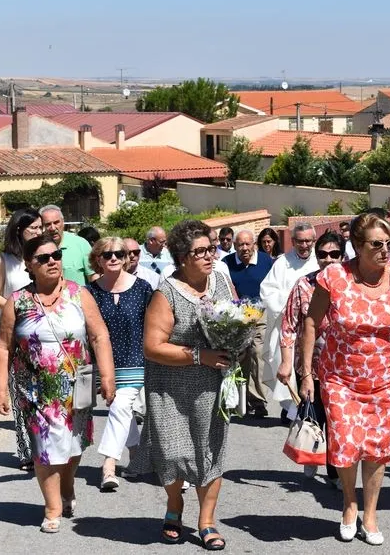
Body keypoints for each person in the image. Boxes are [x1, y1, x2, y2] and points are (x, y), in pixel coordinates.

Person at [299, 213, 390, 545]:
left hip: (388, 379)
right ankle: (348, 503)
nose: (385, 250)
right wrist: (305, 373)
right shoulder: (334, 277)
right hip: (340, 377)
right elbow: (312, 323)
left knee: (376, 449)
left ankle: (370, 514)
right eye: (377, 244)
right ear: (357, 246)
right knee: (345, 443)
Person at [0, 235, 116, 533]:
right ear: (29, 266)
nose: (52, 261)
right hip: (35, 388)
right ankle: (52, 507)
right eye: (43, 258)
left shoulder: (79, 294)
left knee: (74, 446)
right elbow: (4, 347)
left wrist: (108, 376)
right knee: (45, 448)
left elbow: (99, 336)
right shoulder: (18, 301)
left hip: (78, 386)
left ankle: (68, 484)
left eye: (56, 255)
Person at [133, 220, 236, 550]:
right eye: (201, 251)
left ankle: (206, 522)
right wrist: (199, 355)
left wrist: (239, 340)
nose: (210, 256)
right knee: (174, 454)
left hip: (212, 384)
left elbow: (236, 317)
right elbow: (152, 346)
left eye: (212, 248)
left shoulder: (220, 281)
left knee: (211, 451)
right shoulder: (167, 292)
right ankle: (175, 505)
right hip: (171, 385)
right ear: (181, 257)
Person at [276, 231, 343, 487]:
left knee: (337, 419)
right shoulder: (304, 285)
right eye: (323, 254)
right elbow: (289, 326)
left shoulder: (351, 286)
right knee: (314, 416)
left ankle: (336, 471)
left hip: (342, 367)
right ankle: (311, 453)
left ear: (342, 255)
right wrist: (285, 362)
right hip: (310, 365)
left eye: (334, 254)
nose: (328, 259)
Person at [87, 237, 153, 492]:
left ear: (126, 258)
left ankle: (109, 466)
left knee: (120, 406)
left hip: (136, 361)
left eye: (118, 254)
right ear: (98, 260)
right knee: (120, 409)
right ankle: (136, 458)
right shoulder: (90, 291)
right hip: (104, 365)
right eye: (106, 254)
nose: (113, 258)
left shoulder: (143, 288)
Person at [0, 208, 42, 470]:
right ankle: (26, 451)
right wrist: (15, 305)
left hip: (43, 333)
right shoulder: (6, 260)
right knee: (20, 394)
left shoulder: (46, 256)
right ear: (20, 230)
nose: (39, 232)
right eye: (34, 228)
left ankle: (45, 445)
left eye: (41, 227)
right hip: (17, 331)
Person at [260, 222, 318, 416]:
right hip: (289, 325)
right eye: (300, 241)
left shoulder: (321, 261)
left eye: (308, 241)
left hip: (315, 326)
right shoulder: (282, 263)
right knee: (288, 367)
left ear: (314, 241)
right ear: (293, 241)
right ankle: (291, 408)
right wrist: (292, 301)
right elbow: (267, 290)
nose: (304, 245)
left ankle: (311, 407)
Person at [223, 229, 273, 417]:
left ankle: (258, 399)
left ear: (254, 245)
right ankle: (239, 399)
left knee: (257, 353)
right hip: (237, 314)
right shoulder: (226, 263)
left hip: (260, 312)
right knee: (240, 355)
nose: (244, 248)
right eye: (240, 245)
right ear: (234, 246)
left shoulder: (266, 261)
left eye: (248, 244)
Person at [39, 205, 96, 285]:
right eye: (48, 224)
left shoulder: (80, 244)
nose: (52, 228)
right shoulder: (38, 248)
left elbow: (93, 276)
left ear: (63, 222)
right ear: (41, 226)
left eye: (56, 222)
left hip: (79, 296)